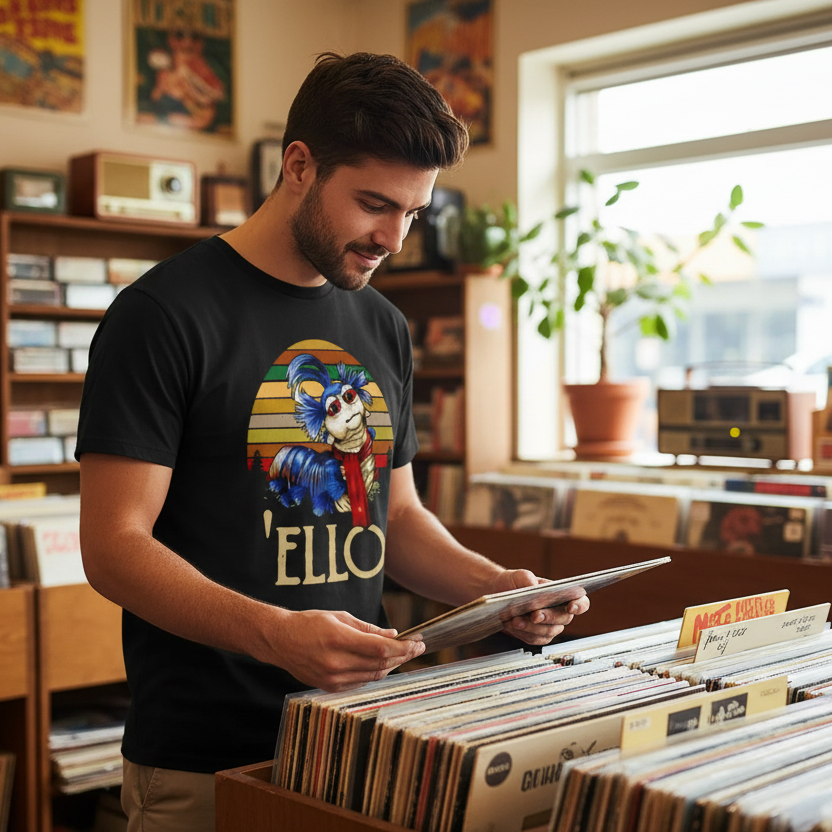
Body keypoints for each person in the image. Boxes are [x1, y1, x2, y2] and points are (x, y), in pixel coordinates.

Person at [76, 51, 590, 832]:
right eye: (375, 204)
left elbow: (399, 520)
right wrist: (277, 636)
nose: (394, 236)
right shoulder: (162, 314)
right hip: (205, 757)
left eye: (413, 212)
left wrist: (496, 594)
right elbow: (113, 546)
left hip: (357, 739)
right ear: (299, 165)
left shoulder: (381, 322)